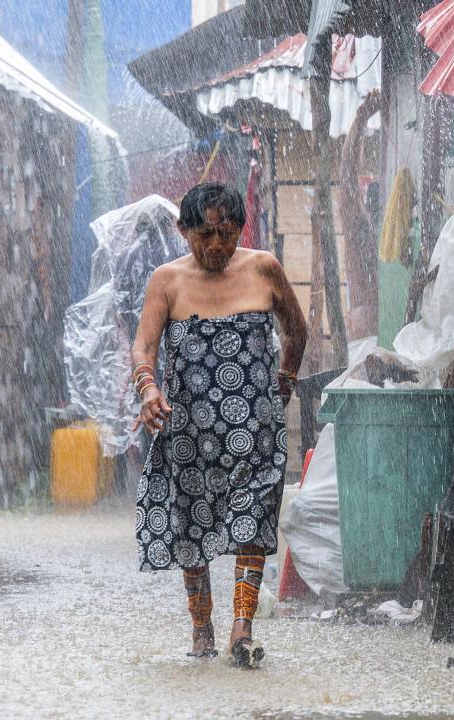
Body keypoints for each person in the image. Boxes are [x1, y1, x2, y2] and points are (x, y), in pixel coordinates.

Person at [131, 182, 307, 667]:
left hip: (256, 432)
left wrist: (284, 384)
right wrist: (149, 390)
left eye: (226, 234)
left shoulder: (263, 267)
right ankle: (202, 628)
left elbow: (296, 330)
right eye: (204, 233)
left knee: (253, 520)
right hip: (188, 433)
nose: (215, 246)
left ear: (239, 231)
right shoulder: (167, 280)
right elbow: (143, 347)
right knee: (192, 525)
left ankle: (242, 628)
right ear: (183, 230)